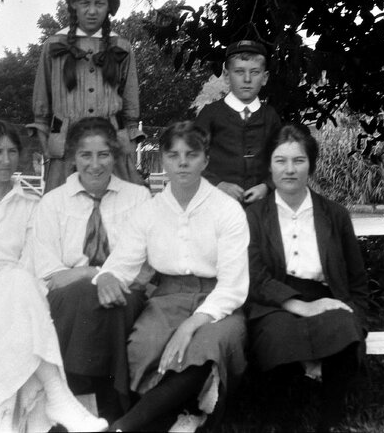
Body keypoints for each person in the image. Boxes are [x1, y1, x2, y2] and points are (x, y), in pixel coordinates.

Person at [0, 120, 107, 433]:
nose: (6, 160)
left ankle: (4, 418)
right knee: (20, 293)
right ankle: (58, 396)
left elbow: (30, 265)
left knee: (19, 286)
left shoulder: (33, 206)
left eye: (12, 151)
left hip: (11, 291)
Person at [96, 121, 249, 432]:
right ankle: (169, 418)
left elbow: (233, 285)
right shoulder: (149, 211)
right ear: (163, 159)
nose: (182, 162)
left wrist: (192, 324)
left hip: (218, 303)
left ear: (205, 160)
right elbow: (121, 264)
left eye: (191, 154)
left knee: (205, 345)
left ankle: (124, 427)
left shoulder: (227, 210)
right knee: (144, 345)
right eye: (173, 154)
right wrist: (107, 277)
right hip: (166, 299)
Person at [25, 116, 151, 421]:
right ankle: (109, 404)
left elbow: (144, 262)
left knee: (112, 300)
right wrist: (93, 274)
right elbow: (49, 271)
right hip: (67, 296)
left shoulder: (139, 198)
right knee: (82, 293)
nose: (95, 165)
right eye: (85, 155)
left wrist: (111, 278)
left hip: (125, 290)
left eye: (103, 155)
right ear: (72, 158)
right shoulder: (53, 203)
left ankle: (81, 400)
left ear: (116, 156)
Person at [245, 123, 368, 432]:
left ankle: (328, 421)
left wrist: (356, 312)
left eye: (298, 160)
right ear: (269, 167)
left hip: (326, 295)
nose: (290, 170)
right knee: (278, 336)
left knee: (344, 325)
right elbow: (254, 275)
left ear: (310, 164)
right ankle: (285, 420)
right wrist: (299, 305)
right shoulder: (254, 216)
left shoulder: (334, 214)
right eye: (280, 161)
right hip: (275, 300)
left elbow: (356, 277)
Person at [29, 0, 144, 193]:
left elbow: (131, 109)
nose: (92, 11)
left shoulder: (121, 47)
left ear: (109, 5)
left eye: (99, 3)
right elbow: (41, 110)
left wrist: (127, 144)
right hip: (66, 155)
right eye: (85, 3)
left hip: (113, 152)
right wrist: (48, 148)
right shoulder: (53, 46)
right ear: (73, 4)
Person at [194, 39, 281, 205]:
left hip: (262, 210)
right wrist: (218, 184)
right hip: (217, 207)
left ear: (265, 77)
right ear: (227, 76)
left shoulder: (270, 117)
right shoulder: (210, 114)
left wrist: (267, 186)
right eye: (239, 72)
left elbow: (281, 159)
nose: (247, 79)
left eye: (255, 72)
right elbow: (194, 157)